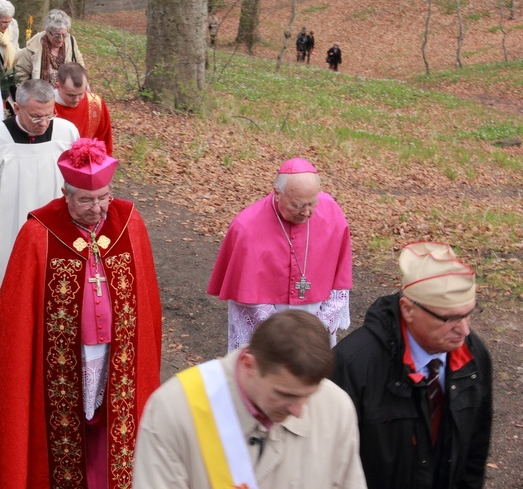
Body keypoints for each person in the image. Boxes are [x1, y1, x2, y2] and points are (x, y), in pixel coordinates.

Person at [0, 138, 163, 488]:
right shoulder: (38, 233)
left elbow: (146, 302)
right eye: (86, 199)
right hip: (60, 360)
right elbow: (16, 320)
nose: (98, 208)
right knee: (66, 430)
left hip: (118, 355)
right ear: (65, 194)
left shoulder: (130, 224)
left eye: (104, 197)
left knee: (110, 425)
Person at [133, 310, 366, 488]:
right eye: (285, 394)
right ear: (249, 366)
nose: (299, 411)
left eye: (309, 395)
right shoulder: (174, 408)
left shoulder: (336, 407)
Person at [331, 242, 492, 488]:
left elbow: (474, 449)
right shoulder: (353, 365)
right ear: (408, 310)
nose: (464, 330)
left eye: (469, 313)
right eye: (450, 318)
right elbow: (332, 462)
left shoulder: (472, 355)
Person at [208, 157, 352, 350]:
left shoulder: (332, 213)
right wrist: (279, 333)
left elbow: (339, 279)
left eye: (312, 203)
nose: (307, 212)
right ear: (277, 193)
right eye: (297, 205)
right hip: (265, 323)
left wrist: (320, 325)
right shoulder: (247, 226)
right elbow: (247, 295)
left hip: (315, 316)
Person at [0, 79, 78, 307]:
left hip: (58, 231)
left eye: (50, 115)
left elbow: (76, 185)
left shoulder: (67, 132)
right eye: (36, 116)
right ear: (16, 108)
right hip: (9, 235)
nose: (44, 123)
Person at [55, 62, 113, 155]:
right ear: (58, 86)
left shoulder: (96, 104)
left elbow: (104, 140)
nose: (77, 99)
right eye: (71, 95)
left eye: (81, 93)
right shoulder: (45, 107)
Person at [16, 8, 85, 86]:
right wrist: (29, 95)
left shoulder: (71, 42)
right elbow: (21, 75)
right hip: (40, 96)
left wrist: (82, 82)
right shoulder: (32, 48)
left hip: (66, 94)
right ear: (47, 32)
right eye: (57, 35)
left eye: (64, 34)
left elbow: (79, 64)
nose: (61, 39)